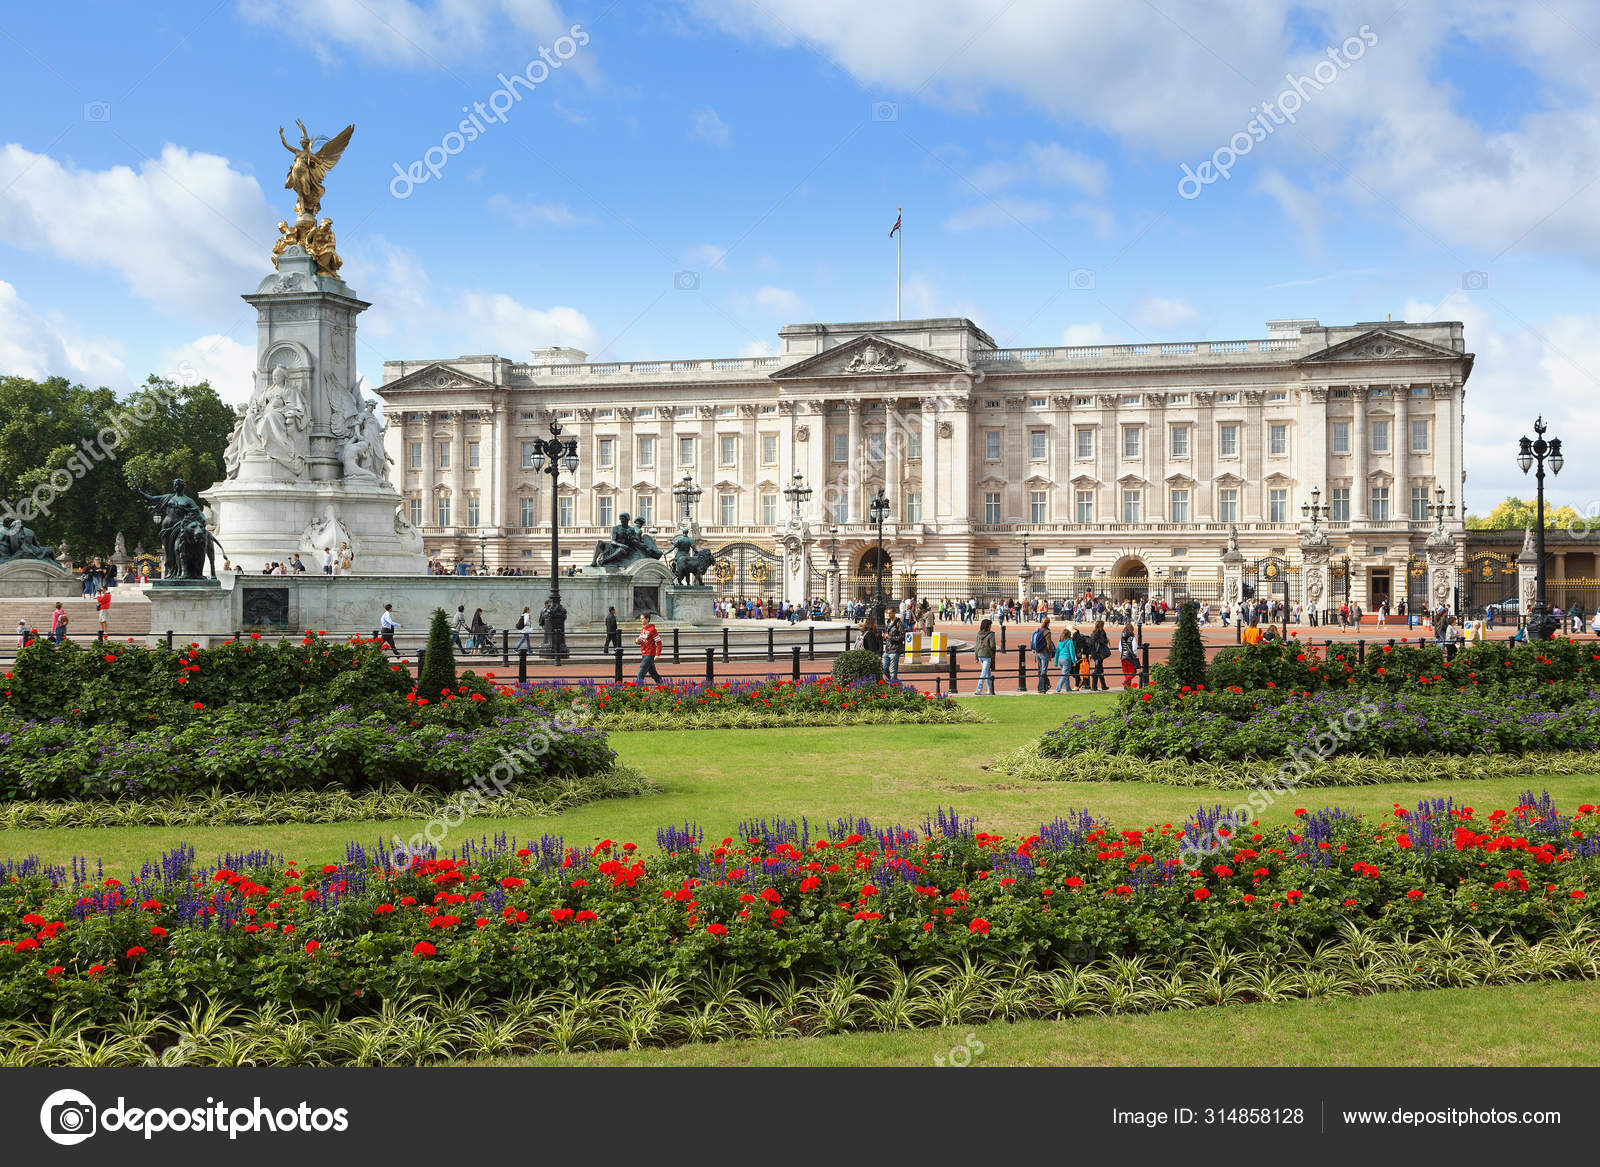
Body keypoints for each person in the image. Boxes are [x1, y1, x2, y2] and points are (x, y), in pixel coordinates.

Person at [635, 613, 664, 684]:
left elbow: (659, 642)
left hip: (649, 654)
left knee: (641, 673)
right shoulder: (643, 629)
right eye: (641, 619)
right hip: (644, 653)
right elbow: (642, 641)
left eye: (642, 619)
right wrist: (637, 641)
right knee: (653, 673)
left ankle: (638, 690)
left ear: (647, 619)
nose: (641, 620)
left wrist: (658, 654)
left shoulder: (652, 630)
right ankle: (663, 686)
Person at [1030, 617, 1053, 693]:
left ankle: (1046, 685)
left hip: (1037, 652)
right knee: (1044, 670)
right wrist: (1050, 653)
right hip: (1044, 653)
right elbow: (1049, 644)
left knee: (1040, 670)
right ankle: (1041, 687)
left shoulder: (1038, 630)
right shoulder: (1047, 632)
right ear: (1048, 623)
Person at [1053, 624, 1079, 692]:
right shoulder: (1070, 642)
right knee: (1064, 675)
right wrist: (1074, 661)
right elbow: (1072, 652)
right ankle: (1058, 688)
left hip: (1060, 659)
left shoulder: (1060, 642)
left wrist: (1055, 662)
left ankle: (1068, 688)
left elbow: (1057, 652)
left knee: (1066, 675)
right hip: (1066, 659)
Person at [974, 617, 996, 694]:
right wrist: (993, 653)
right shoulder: (991, 634)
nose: (991, 627)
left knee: (987, 672)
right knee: (984, 672)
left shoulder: (978, 634)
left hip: (980, 654)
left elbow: (976, 646)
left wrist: (976, 657)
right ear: (987, 626)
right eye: (990, 625)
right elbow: (993, 646)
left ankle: (990, 689)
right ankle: (979, 689)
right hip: (987, 655)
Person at [1088, 619, 1111, 691]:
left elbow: (1091, 644)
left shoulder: (1093, 633)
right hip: (1099, 654)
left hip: (1095, 653)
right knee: (1097, 670)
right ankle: (1094, 686)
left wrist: (1090, 654)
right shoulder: (1101, 632)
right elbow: (1102, 642)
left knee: (1100, 669)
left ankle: (1103, 685)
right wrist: (1107, 640)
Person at [883, 611, 904, 683]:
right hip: (887, 649)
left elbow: (902, 637)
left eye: (890, 613)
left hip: (895, 649)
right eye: (887, 613)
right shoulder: (888, 622)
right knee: (883, 667)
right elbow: (887, 635)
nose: (888, 614)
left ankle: (893, 685)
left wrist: (890, 637)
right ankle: (894, 682)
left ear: (894, 613)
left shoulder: (899, 623)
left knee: (893, 670)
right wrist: (884, 636)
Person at [1118, 622, 1139, 688]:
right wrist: (1135, 654)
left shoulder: (1122, 637)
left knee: (1126, 672)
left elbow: (1120, 647)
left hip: (1123, 656)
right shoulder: (1132, 637)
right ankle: (1126, 682)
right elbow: (1134, 647)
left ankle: (1128, 686)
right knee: (1133, 671)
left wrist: (1122, 653)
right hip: (1130, 656)